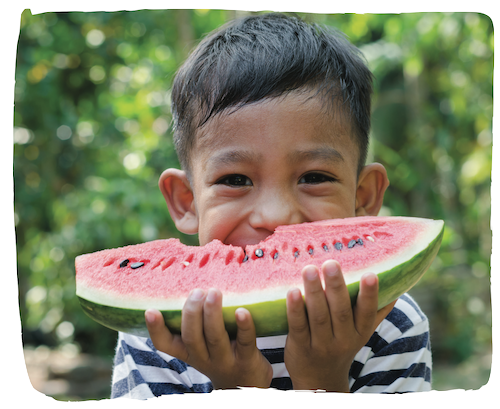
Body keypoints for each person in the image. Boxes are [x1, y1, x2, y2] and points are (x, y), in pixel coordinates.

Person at [111, 13, 432, 397]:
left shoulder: (392, 324)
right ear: (187, 202)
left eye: (314, 177)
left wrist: (322, 379)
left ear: (363, 197)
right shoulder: (155, 334)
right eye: (235, 180)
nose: (276, 217)